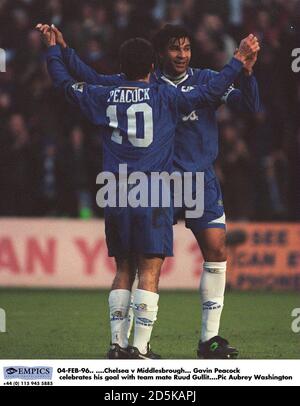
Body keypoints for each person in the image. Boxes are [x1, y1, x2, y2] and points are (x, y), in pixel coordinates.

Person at [40, 24, 259, 359]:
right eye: (175, 49)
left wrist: (245, 71)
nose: (182, 55)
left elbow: (249, 107)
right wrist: (235, 63)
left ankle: (206, 340)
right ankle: (135, 346)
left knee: (214, 252)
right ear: (157, 57)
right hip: (160, 183)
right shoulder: (160, 87)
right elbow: (95, 76)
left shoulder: (201, 78)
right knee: (144, 264)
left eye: (186, 48)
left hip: (195, 180)